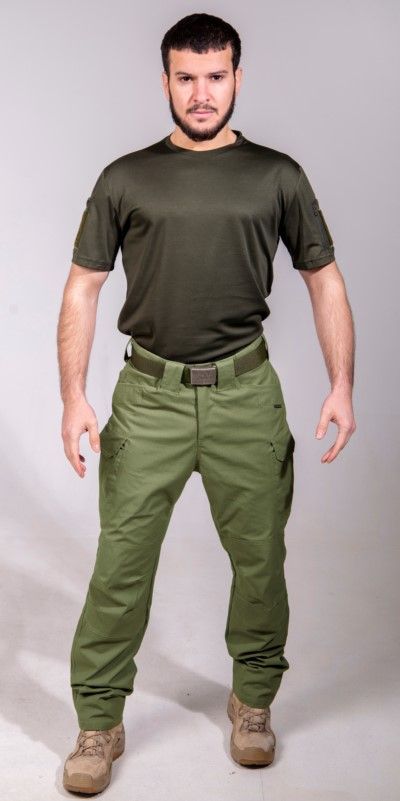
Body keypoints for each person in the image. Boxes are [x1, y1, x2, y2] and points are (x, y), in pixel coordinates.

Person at [58, 12, 356, 795]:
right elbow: (84, 286)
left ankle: (252, 703)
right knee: (120, 565)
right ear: (165, 81)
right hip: (148, 397)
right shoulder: (126, 178)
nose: (200, 93)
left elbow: (323, 278)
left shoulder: (276, 175)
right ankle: (98, 721)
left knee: (260, 562)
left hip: (246, 394)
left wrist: (342, 384)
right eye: (186, 78)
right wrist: (72, 396)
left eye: (215, 77)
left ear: (237, 79)